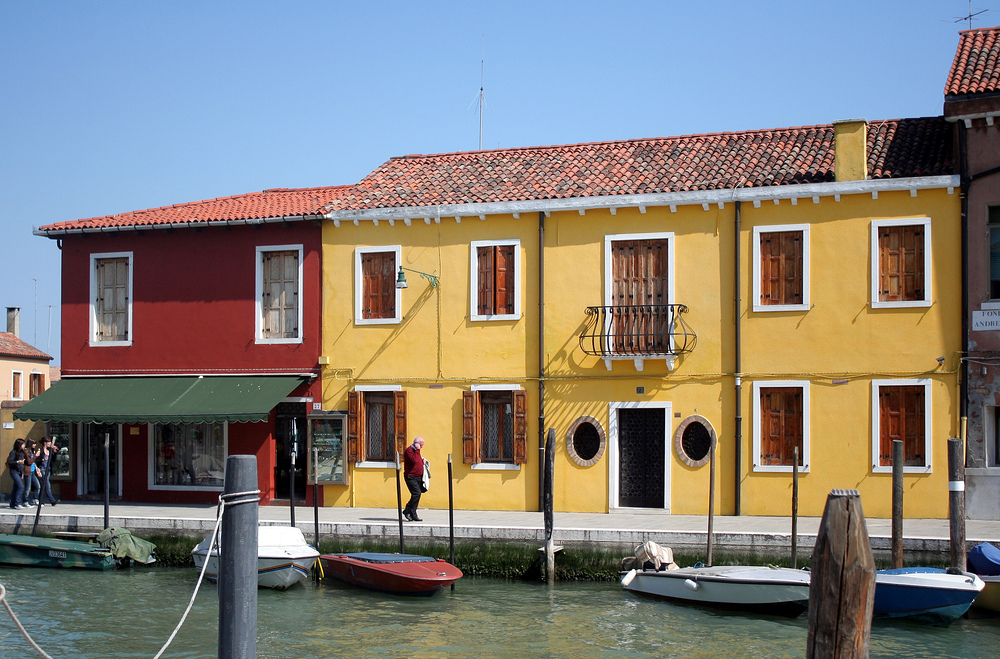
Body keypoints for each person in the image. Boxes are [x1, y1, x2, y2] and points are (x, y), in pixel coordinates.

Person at [402, 436, 425, 521]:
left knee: (417, 495)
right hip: (410, 476)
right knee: (416, 493)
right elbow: (414, 460)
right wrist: (418, 450)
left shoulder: (416, 451)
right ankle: (407, 510)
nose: (422, 447)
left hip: (418, 477)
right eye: (421, 445)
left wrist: (423, 462)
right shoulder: (409, 451)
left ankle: (413, 514)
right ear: (416, 444)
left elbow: (417, 462)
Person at [36, 437, 58, 505]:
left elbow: (54, 460)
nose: (50, 444)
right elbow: (36, 460)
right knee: (47, 484)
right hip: (42, 468)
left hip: (48, 469)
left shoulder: (49, 451)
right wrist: (43, 460)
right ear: (45, 443)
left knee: (43, 485)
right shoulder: (41, 451)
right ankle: (52, 500)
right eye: (49, 443)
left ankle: (40, 500)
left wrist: (55, 453)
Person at [6, 439, 26, 510]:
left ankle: (12, 503)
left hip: (19, 472)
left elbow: (23, 465)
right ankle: (17, 503)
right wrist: (18, 462)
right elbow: (10, 462)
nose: (24, 445)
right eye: (23, 444)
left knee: (16, 487)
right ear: (19, 445)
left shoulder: (22, 453)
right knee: (20, 486)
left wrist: (22, 473)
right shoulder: (13, 452)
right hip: (14, 472)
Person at [23, 439, 40, 506]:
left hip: (33, 471)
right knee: (28, 487)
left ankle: (35, 499)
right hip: (28, 471)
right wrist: (36, 456)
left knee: (37, 486)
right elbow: (29, 462)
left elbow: (33, 462)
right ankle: (25, 501)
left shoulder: (31, 451)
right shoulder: (26, 451)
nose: (35, 445)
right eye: (34, 444)